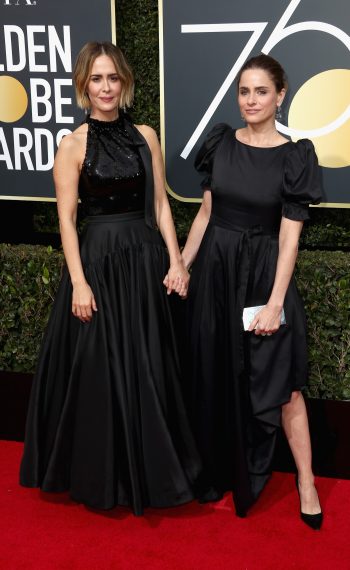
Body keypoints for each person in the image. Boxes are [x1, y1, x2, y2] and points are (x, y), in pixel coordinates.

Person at [20, 41, 201, 516]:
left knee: (148, 365)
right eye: (96, 79)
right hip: (98, 264)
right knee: (102, 369)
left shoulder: (146, 135)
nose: (105, 87)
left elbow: (161, 204)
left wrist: (176, 261)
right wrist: (79, 282)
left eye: (112, 78)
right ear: (84, 84)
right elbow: (66, 221)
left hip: (143, 263)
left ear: (124, 83)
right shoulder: (72, 145)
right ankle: (107, 475)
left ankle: (156, 470)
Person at [180, 54, 323, 528]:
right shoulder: (220, 143)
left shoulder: (295, 155)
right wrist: (183, 263)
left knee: (283, 386)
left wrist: (276, 302)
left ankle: (306, 480)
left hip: (264, 277)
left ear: (280, 95)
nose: (251, 100)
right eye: (244, 91)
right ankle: (217, 470)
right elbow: (204, 215)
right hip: (216, 273)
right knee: (213, 372)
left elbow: (290, 237)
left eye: (261, 91)